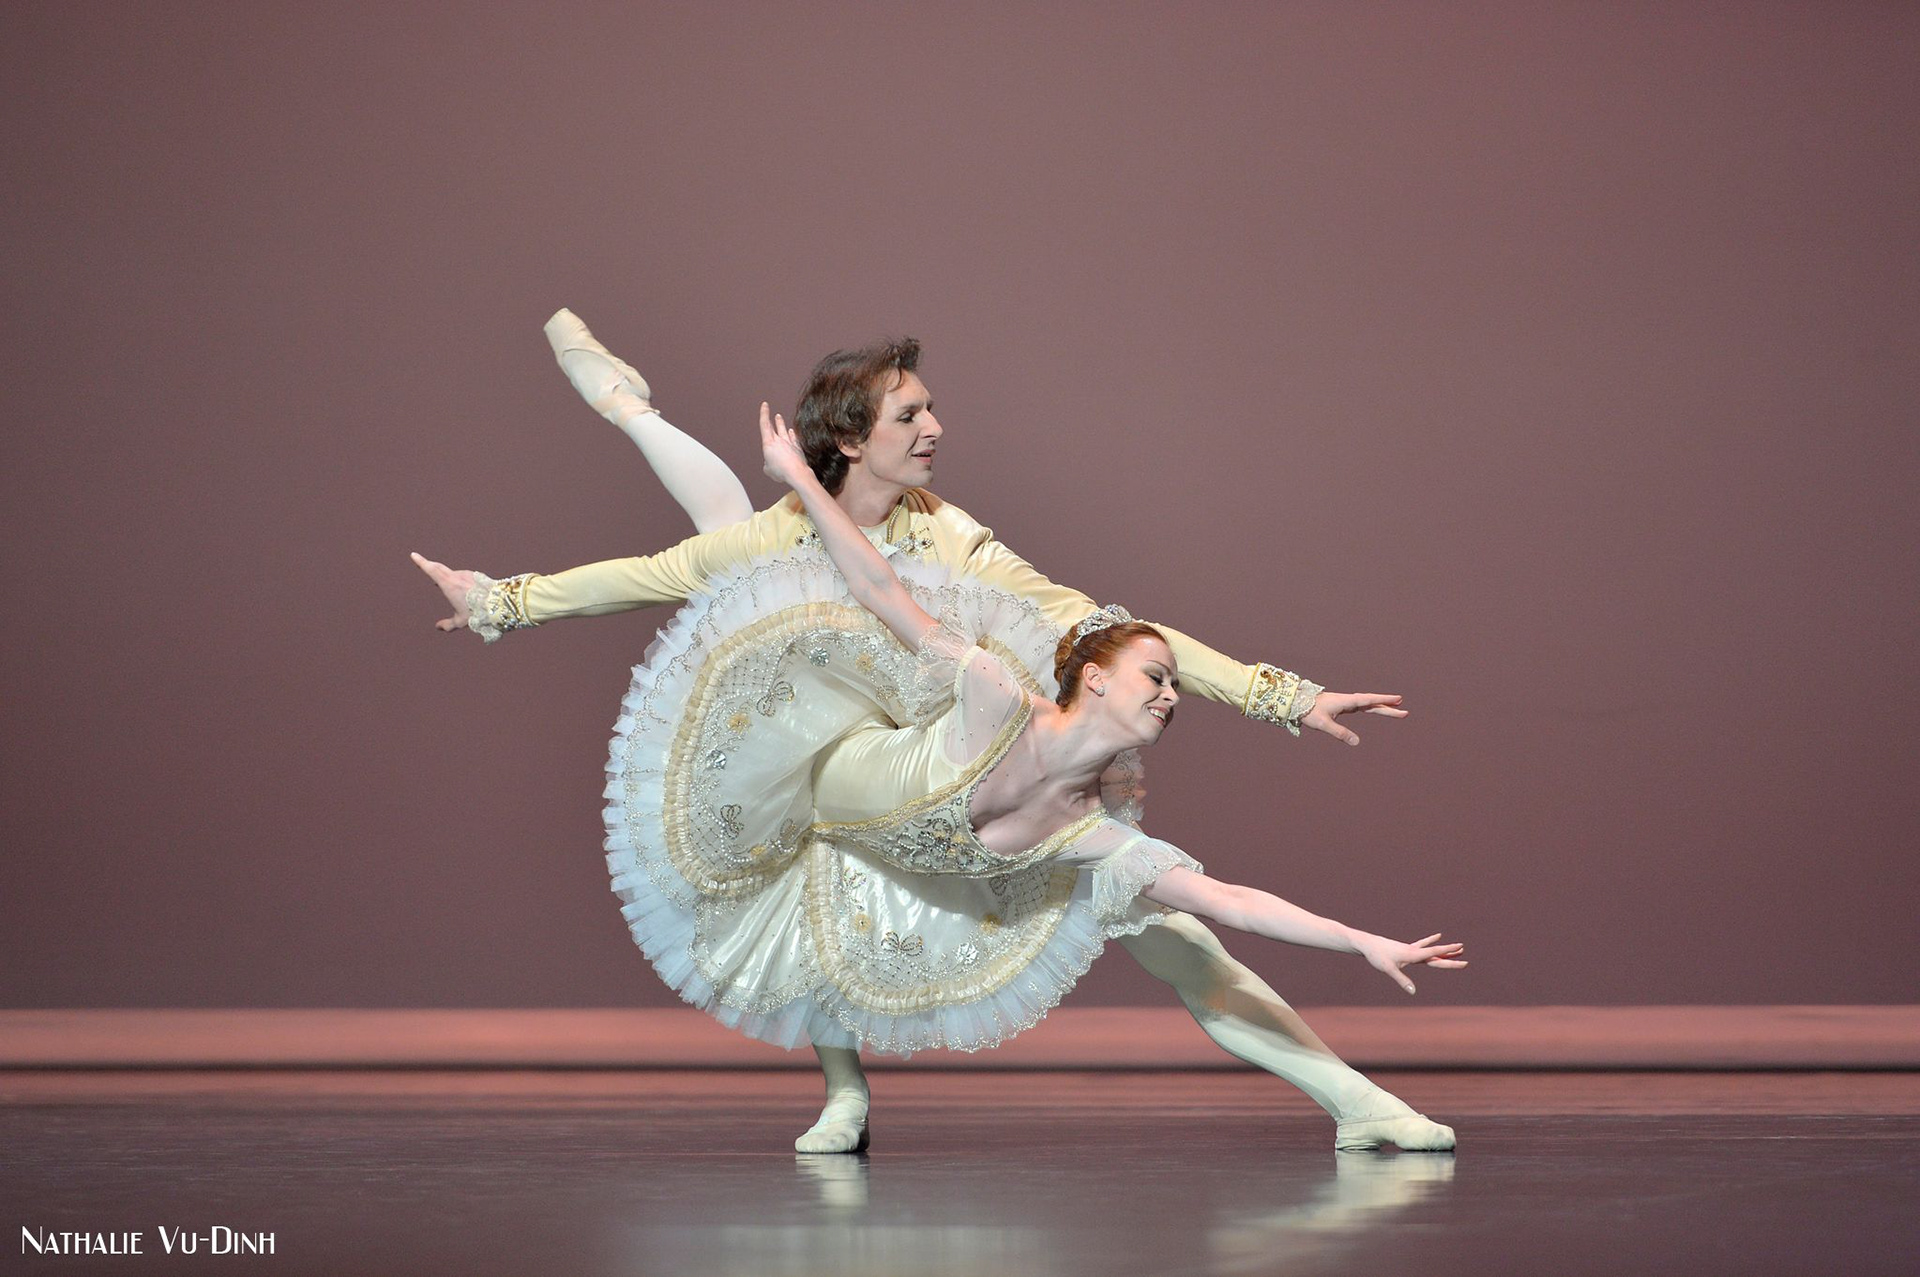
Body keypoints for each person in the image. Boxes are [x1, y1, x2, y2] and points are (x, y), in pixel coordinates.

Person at [412, 314, 1463, 1153]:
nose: (936, 429)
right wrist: (502, 599)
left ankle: (1354, 1099)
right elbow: (641, 581)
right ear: (849, 439)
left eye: (932, 409)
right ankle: (627, 405)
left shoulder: (946, 531)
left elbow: (1106, 624)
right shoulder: (772, 541)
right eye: (911, 414)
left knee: (1175, 929)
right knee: (789, 804)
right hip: (839, 754)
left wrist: (1283, 694)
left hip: (973, 757)